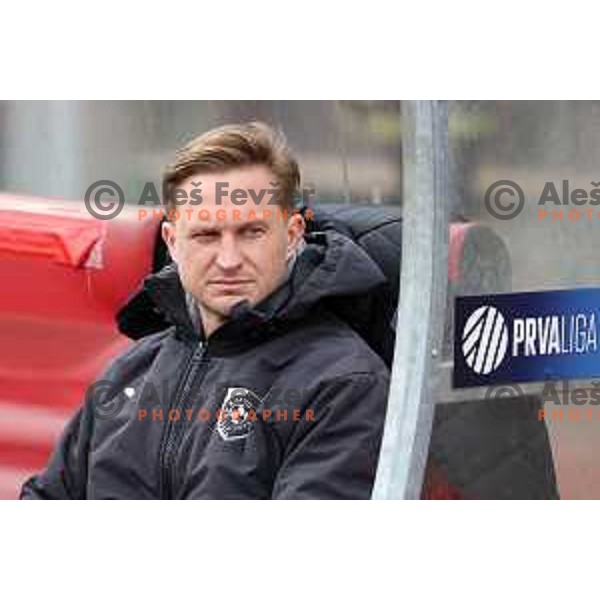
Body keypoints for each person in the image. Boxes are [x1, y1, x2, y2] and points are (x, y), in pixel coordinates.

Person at [21, 122, 391, 499]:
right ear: (173, 242)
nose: (229, 260)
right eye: (206, 236)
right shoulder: (130, 370)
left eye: (252, 232)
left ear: (293, 234)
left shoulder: (344, 383)